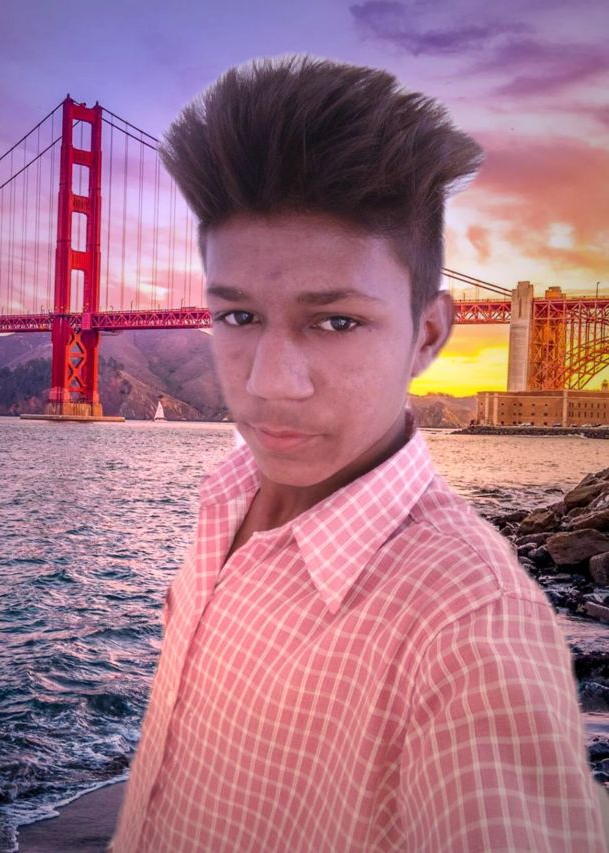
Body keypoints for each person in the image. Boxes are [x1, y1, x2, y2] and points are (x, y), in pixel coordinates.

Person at [110, 55, 606, 852]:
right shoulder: (225, 497)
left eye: (336, 321)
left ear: (429, 333)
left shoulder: (469, 629)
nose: (270, 382)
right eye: (238, 317)